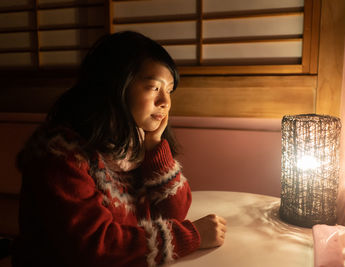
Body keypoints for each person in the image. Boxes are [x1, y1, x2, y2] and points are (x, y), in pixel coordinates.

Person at [13, 31, 226, 266]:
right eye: (154, 88)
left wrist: (156, 147)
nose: (165, 101)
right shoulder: (60, 155)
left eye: (169, 89)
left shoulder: (133, 143)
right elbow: (95, 246)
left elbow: (175, 212)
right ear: (116, 86)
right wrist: (191, 236)